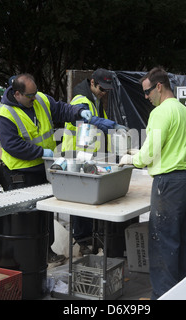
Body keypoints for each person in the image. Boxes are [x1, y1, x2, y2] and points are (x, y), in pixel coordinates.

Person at [0, 73, 115, 264]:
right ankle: (30, 257)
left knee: (45, 213)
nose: (34, 99)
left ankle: (46, 250)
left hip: (43, 168)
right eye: (30, 96)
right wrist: (42, 152)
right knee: (27, 218)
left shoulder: (39, 99)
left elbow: (60, 109)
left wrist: (78, 112)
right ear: (17, 94)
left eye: (35, 94)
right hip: (20, 173)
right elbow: (13, 145)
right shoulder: (5, 115)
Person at [119, 67, 186, 299]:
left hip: (169, 183)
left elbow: (151, 152)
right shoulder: (183, 111)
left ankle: (163, 296)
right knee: (183, 241)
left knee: (163, 243)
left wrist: (132, 158)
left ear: (159, 87)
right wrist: (141, 152)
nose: (146, 97)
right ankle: (183, 293)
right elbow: (169, 145)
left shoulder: (161, 112)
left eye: (147, 92)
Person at [61, 68, 127, 255]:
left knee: (88, 199)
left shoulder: (94, 100)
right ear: (92, 83)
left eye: (107, 90)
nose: (104, 93)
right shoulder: (82, 101)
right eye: (101, 89)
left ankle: (87, 238)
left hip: (86, 155)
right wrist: (112, 126)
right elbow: (91, 125)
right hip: (76, 155)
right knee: (81, 200)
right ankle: (83, 240)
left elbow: (100, 126)